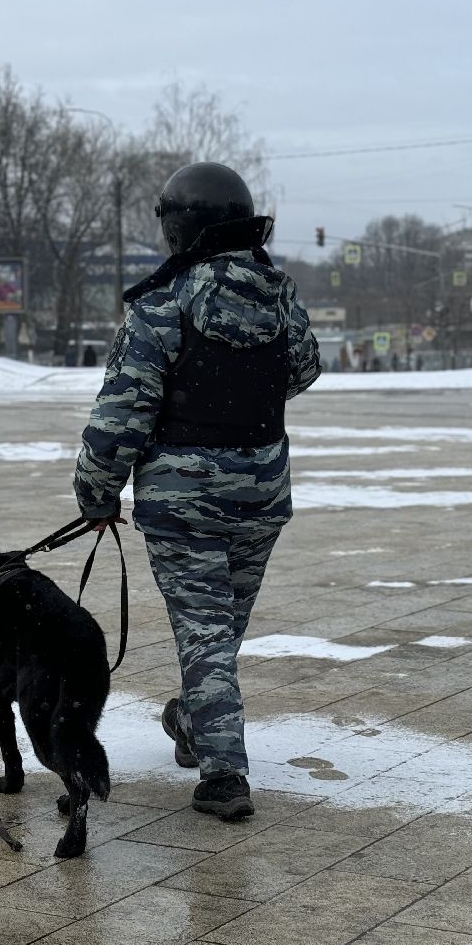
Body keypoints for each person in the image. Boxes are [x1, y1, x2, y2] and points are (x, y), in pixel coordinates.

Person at [73, 162, 322, 821]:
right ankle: (193, 717)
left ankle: (222, 774)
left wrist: (96, 494)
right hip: (261, 495)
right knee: (219, 630)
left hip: (183, 498)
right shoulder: (278, 294)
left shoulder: (164, 303)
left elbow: (121, 415)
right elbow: (304, 367)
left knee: (208, 631)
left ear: (182, 225)